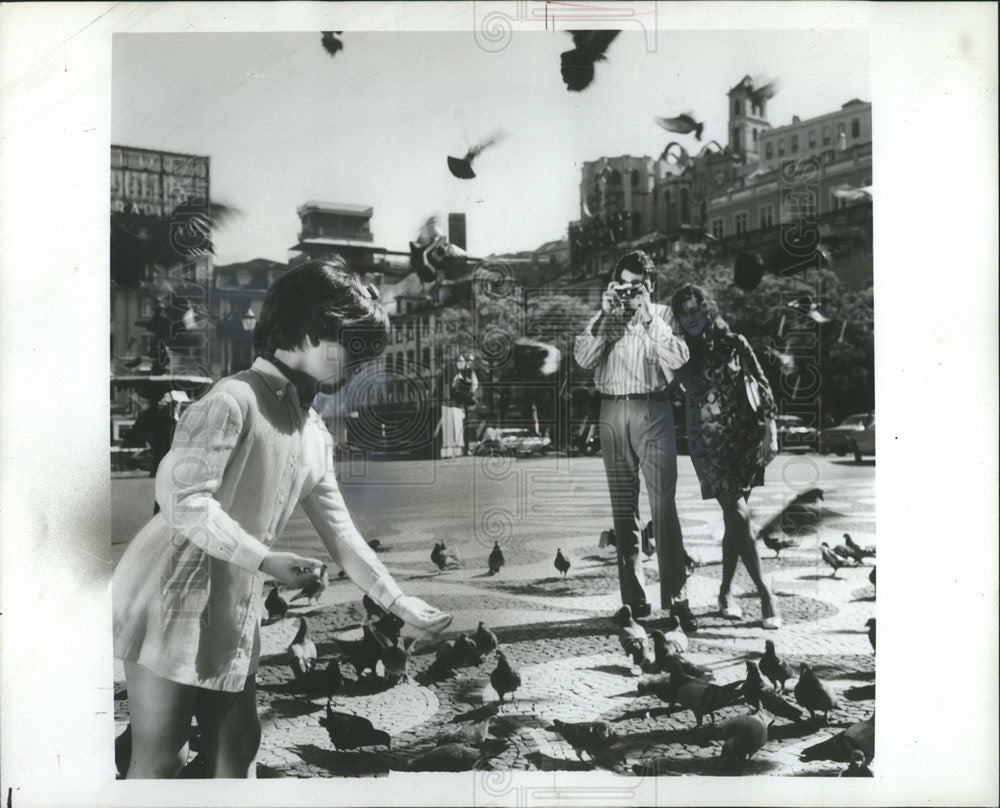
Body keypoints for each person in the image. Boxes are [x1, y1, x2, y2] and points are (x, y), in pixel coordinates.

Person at [112, 258, 452, 779]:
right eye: (353, 347)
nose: (360, 363)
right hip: (169, 593)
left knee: (239, 744)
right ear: (310, 331)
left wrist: (398, 600)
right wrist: (267, 559)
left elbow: (340, 533)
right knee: (161, 754)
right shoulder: (232, 398)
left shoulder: (314, 433)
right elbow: (183, 501)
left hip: (232, 596)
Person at [574, 250, 696, 630]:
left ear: (650, 286)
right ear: (614, 285)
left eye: (635, 287)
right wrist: (607, 320)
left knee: (664, 507)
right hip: (611, 411)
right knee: (623, 510)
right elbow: (583, 360)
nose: (628, 293)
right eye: (621, 286)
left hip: (653, 408)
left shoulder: (663, 315)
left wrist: (648, 321)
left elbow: (679, 358)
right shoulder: (604, 316)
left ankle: (676, 599)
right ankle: (634, 600)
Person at [669, 283, 781, 629]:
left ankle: (725, 592)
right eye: (682, 312)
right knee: (736, 512)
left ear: (707, 308)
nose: (690, 318)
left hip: (744, 439)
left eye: (695, 309)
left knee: (736, 521)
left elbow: (762, 386)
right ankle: (766, 596)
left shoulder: (735, 342)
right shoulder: (678, 352)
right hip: (708, 444)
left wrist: (770, 431)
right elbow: (668, 381)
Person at [440, 354, 478, 458]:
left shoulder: (468, 373)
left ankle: (464, 448)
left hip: (462, 400)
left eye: (462, 362)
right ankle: (462, 449)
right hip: (458, 400)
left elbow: (474, 384)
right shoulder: (457, 374)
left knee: (465, 423)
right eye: (459, 362)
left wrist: (470, 392)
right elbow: (454, 386)